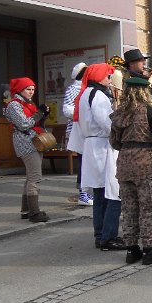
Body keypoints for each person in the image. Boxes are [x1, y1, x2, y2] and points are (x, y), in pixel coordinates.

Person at [110, 76, 152, 264]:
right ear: (144, 91)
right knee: (150, 206)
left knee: (129, 208)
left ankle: (132, 250)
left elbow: (114, 142)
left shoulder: (119, 113)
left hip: (124, 163)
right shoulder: (150, 110)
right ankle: (149, 249)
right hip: (146, 163)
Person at [76, 63, 125, 251]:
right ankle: (108, 236)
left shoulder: (86, 94)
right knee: (113, 193)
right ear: (99, 77)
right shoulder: (98, 95)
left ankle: (100, 234)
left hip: (92, 145)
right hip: (102, 145)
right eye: (108, 76)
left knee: (99, 193)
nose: (110, 80)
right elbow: (106, 123)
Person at [5, 77, 51, 222]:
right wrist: (39, 113)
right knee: (35, 177)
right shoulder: (14, 105)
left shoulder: (27, 103)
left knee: (30, 177)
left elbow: (34, 122)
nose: (31, 92)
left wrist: (43, 115)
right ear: (20, 90)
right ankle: (34, 213)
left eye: (32, 89)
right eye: (28, 89)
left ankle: (26, 211)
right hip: (26, 143)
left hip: (34, 142)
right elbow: (24, 124)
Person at [62, 62, 92, 206]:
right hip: (78, 130)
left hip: (89, 130)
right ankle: (83, 193)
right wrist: (83, 113)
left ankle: (88, 192)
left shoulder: (89, 88)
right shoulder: (73, 89)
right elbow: (67, 110)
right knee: (83, 162)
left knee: (89, 162)